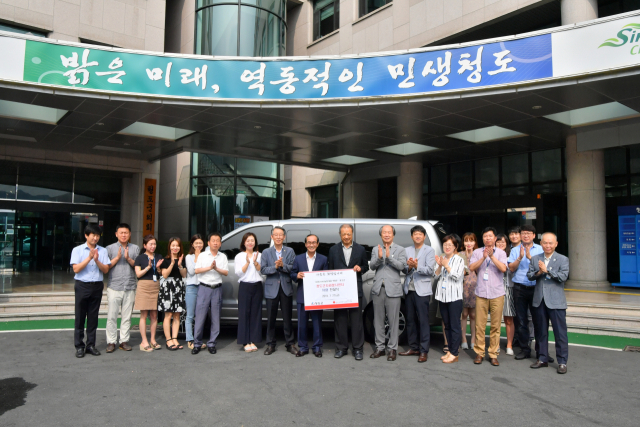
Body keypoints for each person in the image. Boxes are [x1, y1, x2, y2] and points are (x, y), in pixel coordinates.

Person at [527, 232, 570, 374]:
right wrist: (539, 272)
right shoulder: (535, 259)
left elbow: (563, 277)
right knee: (541, 332)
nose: (548, 245)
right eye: (545, 243)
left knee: (560, 333)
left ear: (556, 244)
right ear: (541, 243)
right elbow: (529, 276)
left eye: (551, 243)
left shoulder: (562, 259)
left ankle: (562, 361)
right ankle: (542, 358)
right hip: (539, 300)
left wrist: (547, 271)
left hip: (556, 302)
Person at [328, 224, 369, 361]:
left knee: (356, 321)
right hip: (339, 292)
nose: (346, 236)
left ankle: (358, 349)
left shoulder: (360, 249)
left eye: (349, 234)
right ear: (340, 234)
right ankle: (341, 348)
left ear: (352, 234)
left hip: (355, 290)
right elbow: (330, 270)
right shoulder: (333, 250)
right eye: (344, 234)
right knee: (340, 320)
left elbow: (366, 266)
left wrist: (360, 268)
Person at [70, 224, 111, 358]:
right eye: (93, 235)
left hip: (97, 286)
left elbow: (105, 270)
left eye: (98, 235)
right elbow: (76, 269)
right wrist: (89, 258)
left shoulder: (103, 251)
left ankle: (91, 345)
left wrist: (97, 260)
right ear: (86, 235)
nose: (95, 238)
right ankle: (79, 346)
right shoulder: (78, 250)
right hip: (82, 285)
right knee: (80, 316)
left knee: (93, 317)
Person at [469, 227, 507, 366]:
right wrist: (484, 257)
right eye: (485, 236)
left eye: (490, 236)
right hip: (481, 293)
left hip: (497, 293)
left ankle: (493, 354)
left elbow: (503, 268)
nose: (488, 238)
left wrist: (491, 257)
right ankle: (479, 353)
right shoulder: (477, 252)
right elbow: (472, 268)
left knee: (495, 326)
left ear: (495, 238)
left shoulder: (501, 253)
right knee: (480, 325)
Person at [370, 225, 407, 361]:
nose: (386, 234)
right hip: (378, 288)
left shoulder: (400, 249)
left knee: (393, 321)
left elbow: (402, 266)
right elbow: (372, 266)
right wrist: (380, 258)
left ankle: (392, 349)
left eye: (389, 232)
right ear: (381, 235)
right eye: (384, 232)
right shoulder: (375, 249)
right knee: (378, 320)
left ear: (393, 234)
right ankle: (379, 348)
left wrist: (388, 257)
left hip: (394, 289)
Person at [399, 225, 435, 363]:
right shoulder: (407, 250)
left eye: (420, 234)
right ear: (412, 236)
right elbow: (404, 270)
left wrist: (416, 266)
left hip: (422, 290)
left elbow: (430, 270)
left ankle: (424, 350)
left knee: (423, 321)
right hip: (409, 289)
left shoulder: (429, 250)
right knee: (410, 320)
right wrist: (408, 267)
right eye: (415, 234)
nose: (418, 236)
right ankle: (413, 347)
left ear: (424, 237)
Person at [508, 224, 544, 361]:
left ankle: (541, 351)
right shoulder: (515, 250)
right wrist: (520, 257)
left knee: (538, 320)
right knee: (521, 320)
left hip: (536, 287)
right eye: (524, 233)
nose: (526, 235)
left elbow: (543, 268)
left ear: (534, 235)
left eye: (529, 233)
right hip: (519, 288)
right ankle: (524, 349)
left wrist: (530, 258)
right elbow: (511, 268)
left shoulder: (540, 249)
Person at [261, 226, 298, 355]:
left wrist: (282, 266)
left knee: (287, 317)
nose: (278, 237)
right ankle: (270, 344)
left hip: (286, 288)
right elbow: (263, 270)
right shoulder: (266, 252)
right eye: (275, 235)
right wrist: (275, 267)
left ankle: (290, 343)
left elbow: (293, 268)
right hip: (272, 289)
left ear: (284, 237)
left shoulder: (290, 251)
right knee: (271, 318)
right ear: (272, 237)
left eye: (280, 235)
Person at [291, 234, 328, 357]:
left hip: (317, 297)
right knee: (302, 324)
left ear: (317, 244)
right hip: (303, 296)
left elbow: (327, 276)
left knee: (317, 323)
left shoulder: (323, 259)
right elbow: (292, 273)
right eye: (309, 242)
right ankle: (303, 347)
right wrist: (297, 276)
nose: (311, 245)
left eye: (314, 242)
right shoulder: (298, 258)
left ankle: (317, 347)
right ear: (305, 244)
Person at [105, 223, 139, 353]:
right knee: (112, 316)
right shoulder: (109, 248)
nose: (124, 235)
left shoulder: (135, 248)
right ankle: (111, 342)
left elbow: (138, 266)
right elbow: (105, 267)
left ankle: (124, 341)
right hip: (114, 286)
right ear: (116, 234)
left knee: (127, 316)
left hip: (130, 286)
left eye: (126, 233)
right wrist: (118, 258)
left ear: (130, 234)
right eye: (121, 233)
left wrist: (128, 258)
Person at [192, 232, 229, 355]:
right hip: (204, 288)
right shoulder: (203, 255)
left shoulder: (222, 256)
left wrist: (216, 268)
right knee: (200, 317)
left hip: (217, 289)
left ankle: (212, 343)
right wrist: (210, 267)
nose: (215, 242)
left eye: (217, 240)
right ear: (208, 243)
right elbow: (196, 270)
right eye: (213, 240)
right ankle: (197, 343)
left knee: (215, 318)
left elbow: (226, 273)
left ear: (220, 243)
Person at [435, 234, 465, 364]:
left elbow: (458, 276)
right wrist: (440, 266)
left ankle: (454, 353)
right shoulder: (442, 258)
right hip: (442, 296)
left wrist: (447, 266)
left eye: (450, 245)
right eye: (445, 244)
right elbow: (435, 277)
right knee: (446, 325)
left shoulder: (459, 260)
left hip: (454, 297)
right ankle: (450, 350)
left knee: (454, 325)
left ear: (455, 247)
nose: (447, 247)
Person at [134, 234, 164, 352]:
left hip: (155, 286)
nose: (153, 246)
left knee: (154, 315)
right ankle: (144, 341)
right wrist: (148, 267)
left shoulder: (159, 256)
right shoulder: (140, 258)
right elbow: (138, 274)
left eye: (154, 244)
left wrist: (157, 268)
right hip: (143, 286)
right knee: (144, 315)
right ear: (145, 245)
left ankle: (152, 340)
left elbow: (161, 274)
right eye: (150, 244)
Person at [234, 232, 263, 353]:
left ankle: (253, 340)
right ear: (244, 243)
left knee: (256, 314)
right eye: (248, 240)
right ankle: (245, 341)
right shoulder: (239, 256)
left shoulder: (260, 255)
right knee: (244, 313)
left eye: (252, 240)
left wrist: (255, 262)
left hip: (257, 286)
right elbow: (238, 273)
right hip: (245, 286)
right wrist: (247, 262)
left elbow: (262, 272)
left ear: (255, 242)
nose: (250, 242)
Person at [159, 237, 187, 351]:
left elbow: (184, 274)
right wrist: (171, 263)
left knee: (177, 315)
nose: (175, 248)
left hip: (179, 287)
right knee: (168, 315)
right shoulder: (165, 260)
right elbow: (165, 275)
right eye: (173, 245)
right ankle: (168, 339)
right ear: (169, 247)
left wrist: (179, 264)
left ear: (180, 247)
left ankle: (175, 338)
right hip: (168, 288)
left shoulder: (183, 259)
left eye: (177, 245)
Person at [495, 234, 516, 356]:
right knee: (495, 319)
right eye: (498, 241)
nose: (501, 244)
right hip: (494, 289)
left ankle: (509, 344)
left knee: (508, 319)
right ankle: (495, 344)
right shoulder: (491, 254)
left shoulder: (511, 255)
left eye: (503, 242)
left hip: (508, 288)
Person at [185, 234, 205, 350]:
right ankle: (190, 340)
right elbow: (192, 272)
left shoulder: (206, 256)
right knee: (190, 315)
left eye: (200, 243)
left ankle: (198, 340)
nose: (198, 245)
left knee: (200, 316)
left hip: (202, 287)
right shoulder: (189, 257)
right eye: (196, 243)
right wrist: (196, 257)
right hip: (192, 287)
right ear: (192, 244)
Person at [459, 232, 478, 351]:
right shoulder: (460, 254)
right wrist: (465, 257)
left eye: (471, 240)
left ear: (475, 242)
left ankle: (473, 340)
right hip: (463, 286)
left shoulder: (478, 254)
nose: (469, 243)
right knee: (464, 314)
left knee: (473, 315)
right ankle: (463, 339)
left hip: (475, 287)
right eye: (466, 240)